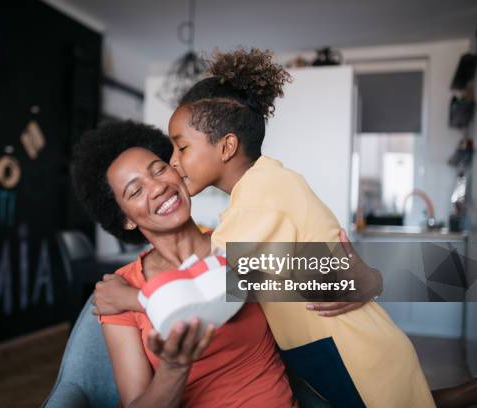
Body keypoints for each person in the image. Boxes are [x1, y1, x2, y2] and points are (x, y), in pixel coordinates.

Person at [93, 49, 438, 407]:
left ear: (226, 146)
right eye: (135, 189)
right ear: (124, 216)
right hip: (335, 353)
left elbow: (212, 288)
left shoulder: (257, 200)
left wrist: (132, 298)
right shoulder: (258, 195)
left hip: (353, 354)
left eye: (179, 149)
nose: (174, 164)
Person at [71, 121, 297, 407]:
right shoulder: (120, 288)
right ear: (125, 219)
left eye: (159, 169)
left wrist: (140, 299)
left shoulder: (233, 240)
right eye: (135, 191)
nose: (157, 188)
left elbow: (339, 280)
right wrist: (174, 368)